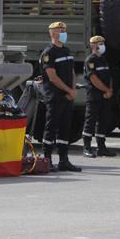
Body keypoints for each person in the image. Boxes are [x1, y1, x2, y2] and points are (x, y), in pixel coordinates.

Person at [39, 22, 81, 172]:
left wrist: (73, 89)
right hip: (55, 96)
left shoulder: (67, 51)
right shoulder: (49, 53)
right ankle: (47, 159)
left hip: (68, 96)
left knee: (65, 129)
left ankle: (64, 160)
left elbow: (72, 73)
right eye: (60, 30)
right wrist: (69, 90)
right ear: (52, 33)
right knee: (51, 127)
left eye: (64, 30)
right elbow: (52, 77)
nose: (63, 32)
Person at [82, 35, 116, 158]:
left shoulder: (103, 60)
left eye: (103, 43)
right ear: (93, 45)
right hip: (94, 96)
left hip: (105, 96)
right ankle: (87, 147)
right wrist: (106, 90)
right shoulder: (90, 60)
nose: (102, 46)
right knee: (90, 121)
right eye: (100, 43)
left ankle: (101, 147)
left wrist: (110, 90)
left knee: (103, 121)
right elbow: (94, 78)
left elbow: (109, 76)